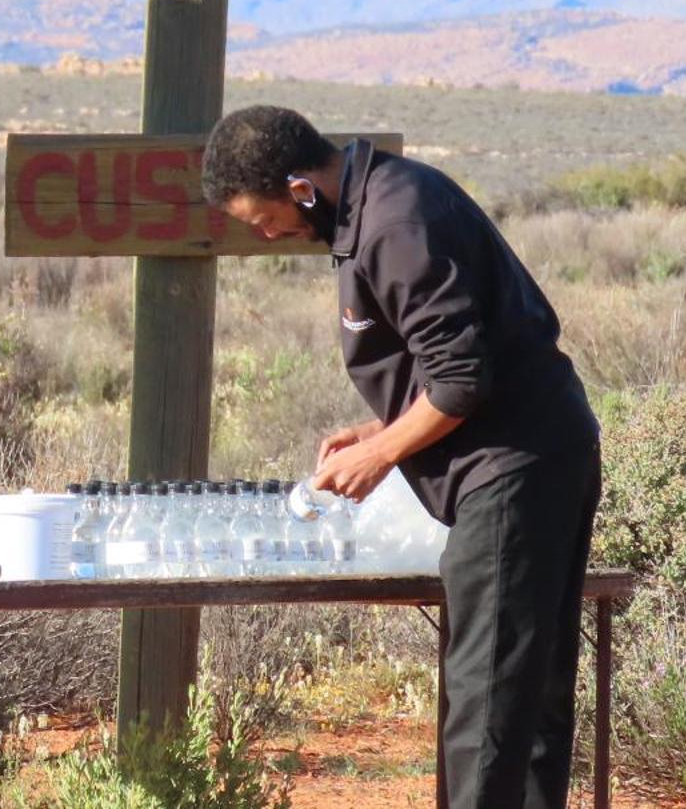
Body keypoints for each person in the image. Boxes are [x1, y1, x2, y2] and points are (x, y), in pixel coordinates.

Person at [201, 104, 601, 809]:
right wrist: (377, 424)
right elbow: (453, 361)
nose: (267, 235)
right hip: (536, 452)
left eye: (264, 218)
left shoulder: (395, 221)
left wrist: (383, 451)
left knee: (489, 701)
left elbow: (461, 380)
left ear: (300, 186)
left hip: (513, 468)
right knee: (523, 692)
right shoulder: (377, 203)